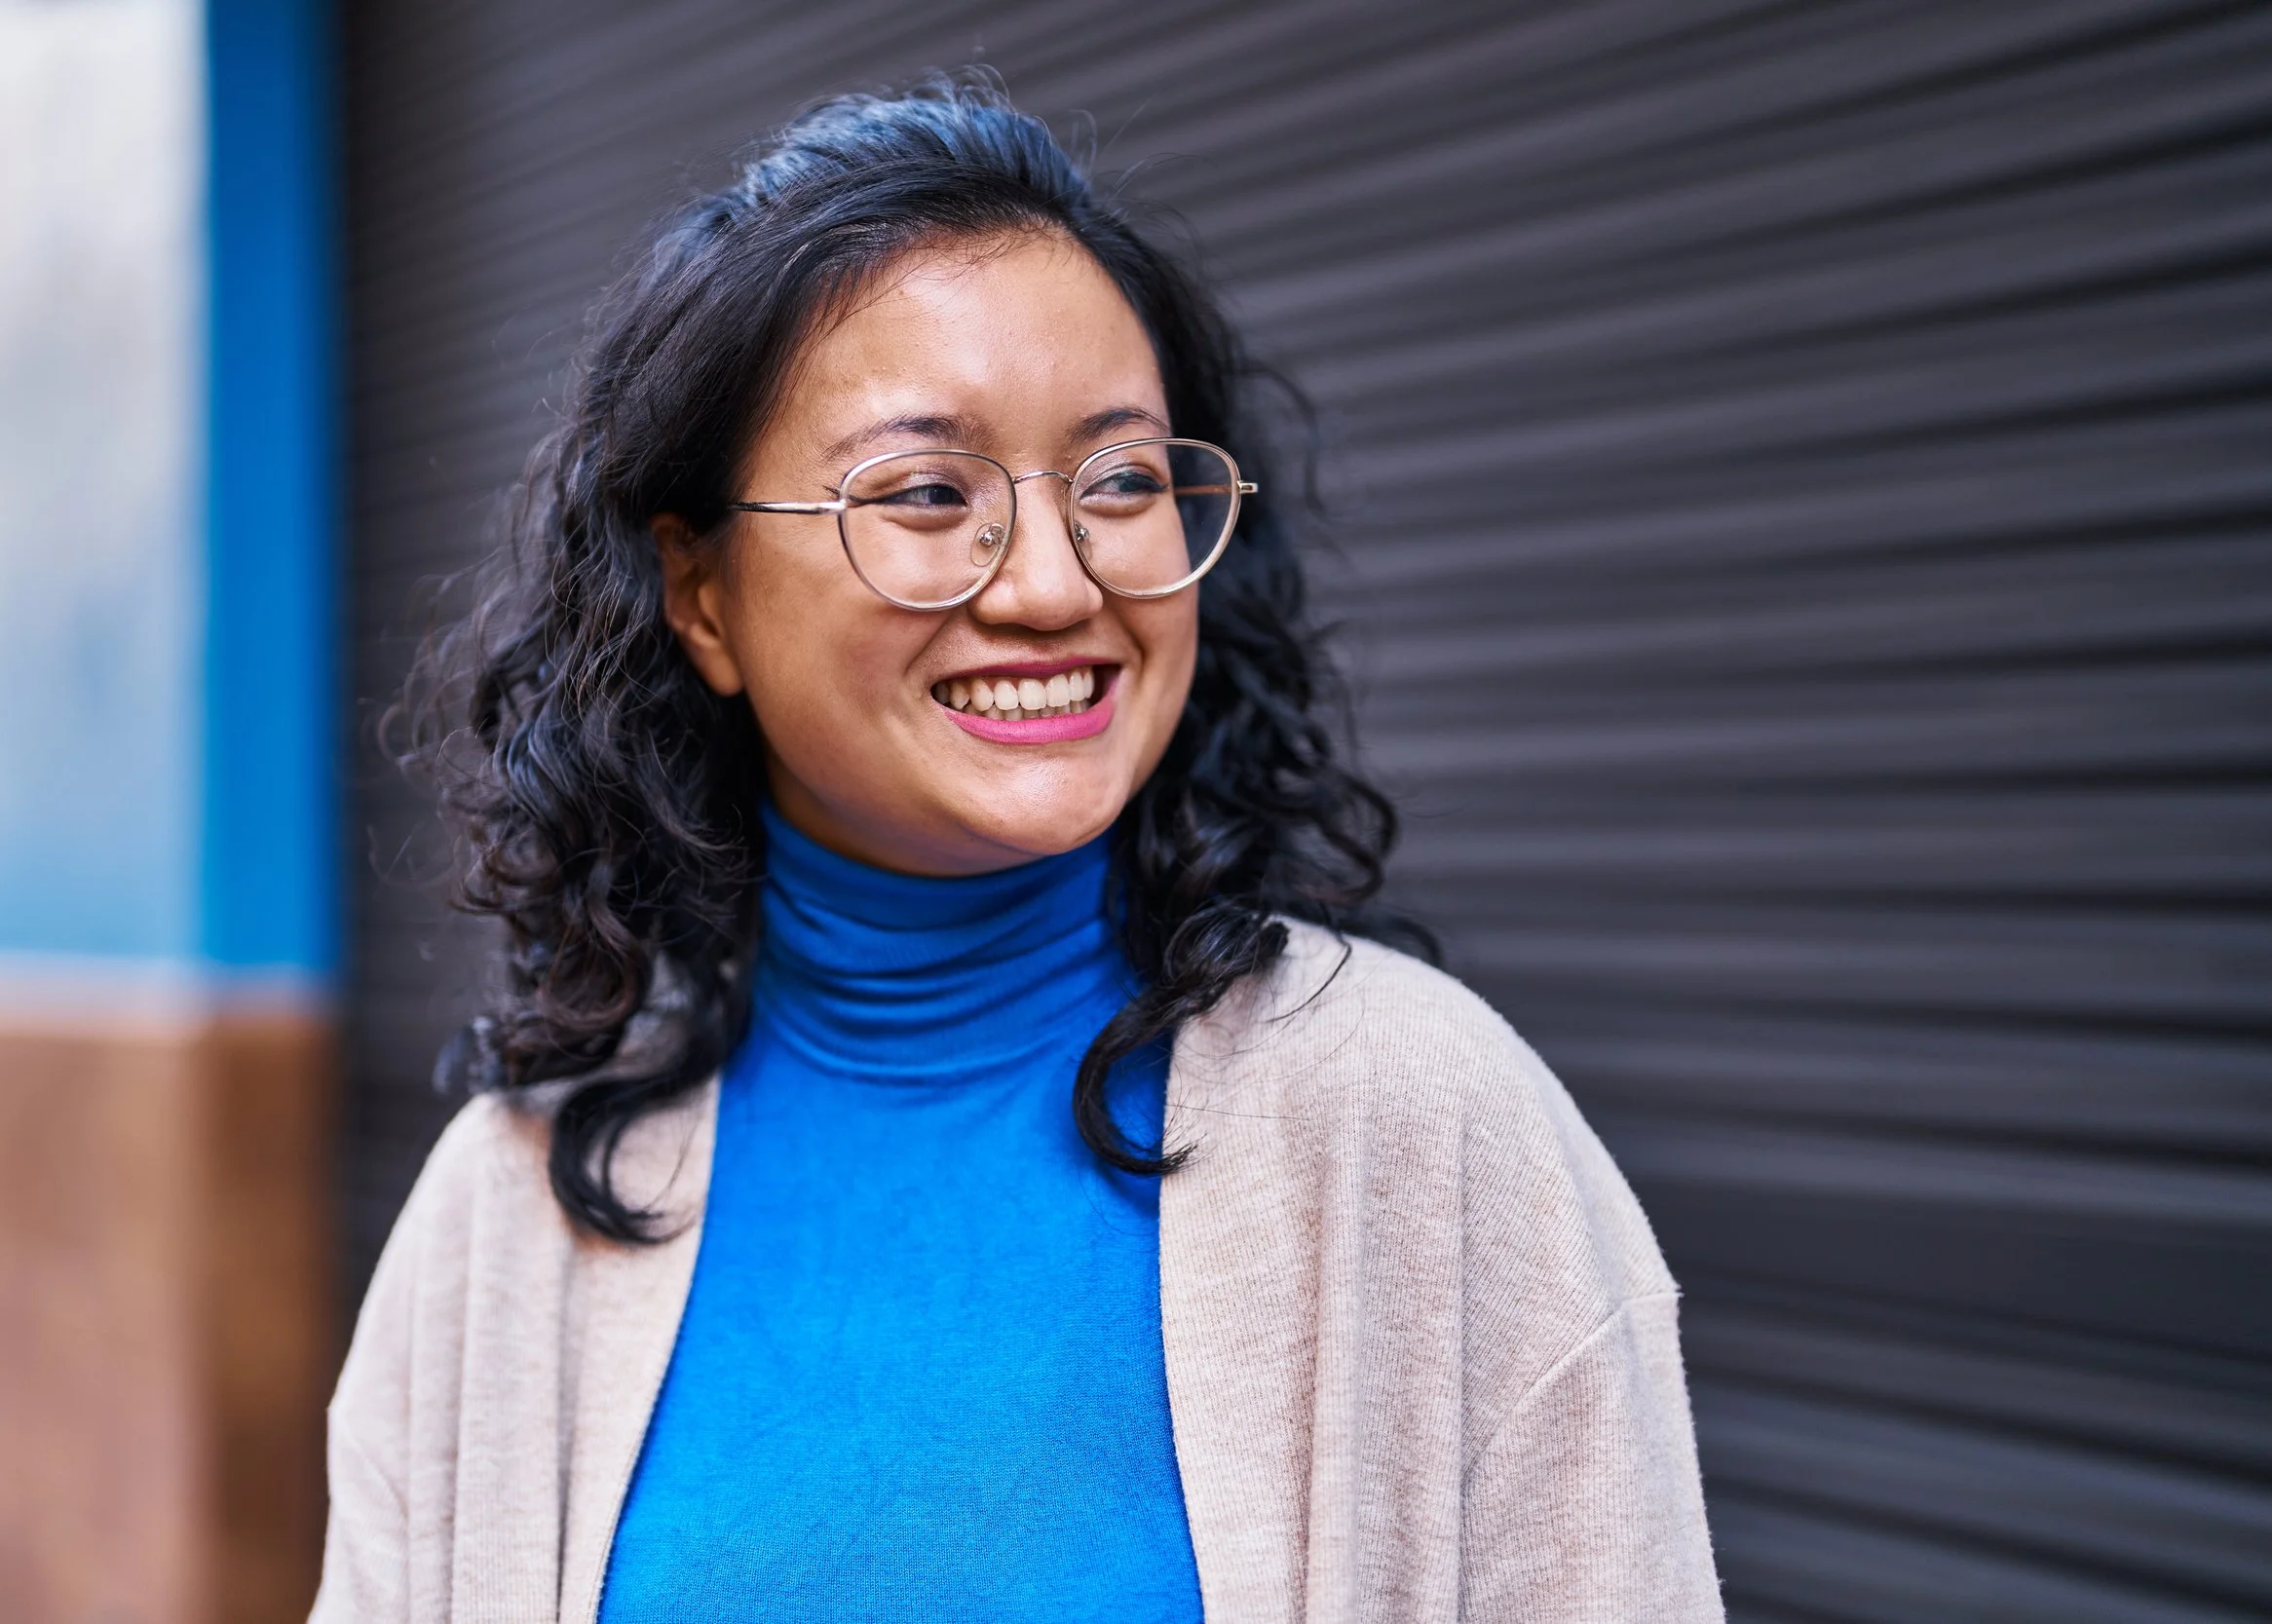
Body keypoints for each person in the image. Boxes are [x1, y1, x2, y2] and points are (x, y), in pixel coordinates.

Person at [313, 75, 1722, 1624]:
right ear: (699, 593)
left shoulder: (1423, 1129)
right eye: (927, 493)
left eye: (1121, 479)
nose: (1054, 583)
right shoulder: (509, 1217)